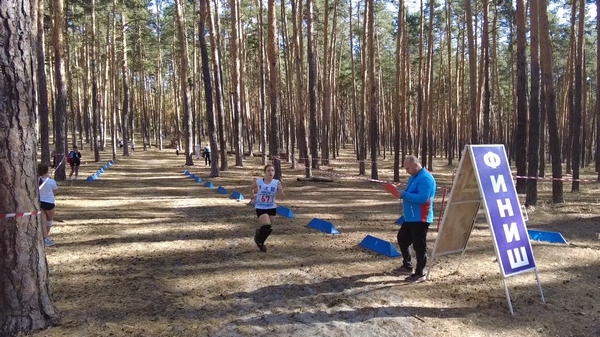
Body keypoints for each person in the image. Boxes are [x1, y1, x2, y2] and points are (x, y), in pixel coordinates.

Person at [392, 155, 436, 283]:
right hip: (411, 217)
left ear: (416, 165)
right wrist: (400, 190)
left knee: (419, 246)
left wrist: (403, 194)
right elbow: (412, 192)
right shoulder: (415, 176)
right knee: (402, 238)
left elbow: (423, 198)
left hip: (421, 217)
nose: (407, 171)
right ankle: (407, 265)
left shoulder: (425, 178)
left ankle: (420, 273)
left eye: (408, 168)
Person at [249, 164, 284, 252]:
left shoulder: (277, 183)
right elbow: (251, 188)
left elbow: (282, 196)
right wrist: (252, 198)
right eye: (268, 170)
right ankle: (258, 238)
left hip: (271, 207)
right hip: (260, 206)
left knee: (269, 228)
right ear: (265, 172)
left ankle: (260, 242)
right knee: (266, 224)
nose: (270, 172)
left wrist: (280, 190)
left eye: (272, 170)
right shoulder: (259, 181)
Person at [38, 164, 58, 247]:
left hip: (40, 203)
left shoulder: (37, 180)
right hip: (49, 203)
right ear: (47, 170)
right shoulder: (51, 181)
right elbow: (56, 192)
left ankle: (45, 238)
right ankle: (46, 238)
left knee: (43, 222)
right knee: (49, 221)